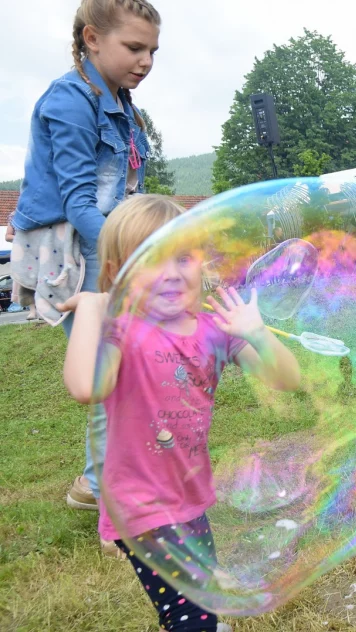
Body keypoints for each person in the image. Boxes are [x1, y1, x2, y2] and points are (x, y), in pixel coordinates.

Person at [58, 195, 301, 632]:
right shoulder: (120, 332)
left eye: (183, 257)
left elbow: (287, 379)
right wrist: (93, 309)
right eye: (151, 260)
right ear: (117, 273)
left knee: (201, 599)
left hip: (190, 498)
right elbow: (85, 387)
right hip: (140, 508)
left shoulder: (214, 331)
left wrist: (258, 334)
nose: (171, 273)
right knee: (189, 617)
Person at [9, 0, 158, 537]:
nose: (146, 61)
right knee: (108, 378)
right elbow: (78, 202)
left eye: (153, 51)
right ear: (92, 39)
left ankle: (95, 484)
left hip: (109, 242)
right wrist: (137, 251)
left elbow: (124, 190)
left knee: (125, 370)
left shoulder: (120, 100)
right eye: (134, 48)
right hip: (82, 250)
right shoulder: (69, 100)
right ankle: (111, 503)